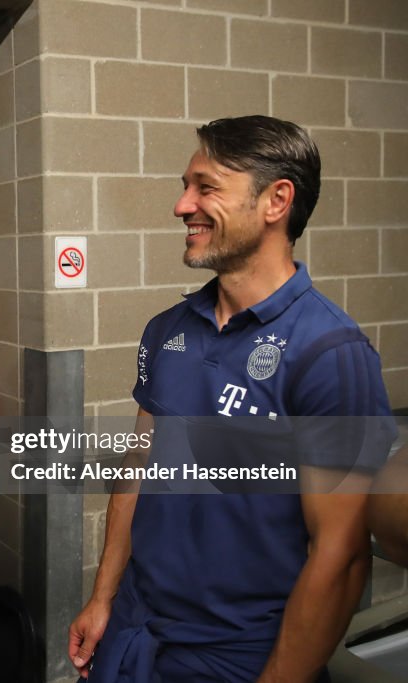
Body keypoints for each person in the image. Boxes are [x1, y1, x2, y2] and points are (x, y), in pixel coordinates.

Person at [68, 116, 397, 682]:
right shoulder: (166, 330)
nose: (182, 205)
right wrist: (103, 599)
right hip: (135, 634)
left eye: (206, 187)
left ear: (276, 200)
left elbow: (339, 556)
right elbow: (139, 469)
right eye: (185, 186)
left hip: (238, 656)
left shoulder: (330, 352)